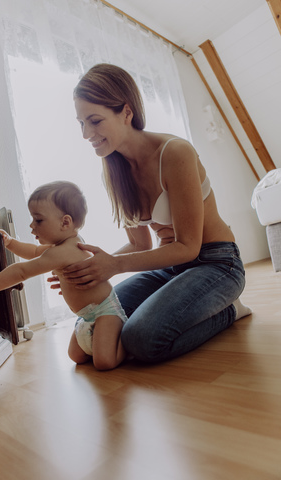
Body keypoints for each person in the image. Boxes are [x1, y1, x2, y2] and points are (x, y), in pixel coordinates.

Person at [49, 63, 251, 364]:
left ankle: (230, 309)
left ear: (126, 113)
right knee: (89, 336)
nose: (86, 134)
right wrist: (86, 269)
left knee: (140, 339)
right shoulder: (114, 171)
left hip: (217, 263)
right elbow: (140, 245)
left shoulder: (175, 153)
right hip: (169, 267)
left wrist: (113, 266)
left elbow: (189, 246)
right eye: (81, 123)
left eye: (94, 121)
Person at [0, 181, 127, 371]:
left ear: (65, 222)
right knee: (76, 356)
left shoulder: (64, 251)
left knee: (104, 362)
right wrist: (11, 242)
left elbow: (21, 271)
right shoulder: (64, 245)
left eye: (38, 220)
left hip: (105, 313)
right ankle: (104, 343)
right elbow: (34, 251)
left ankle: (127, 343)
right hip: (87, 317)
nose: (32, 225)